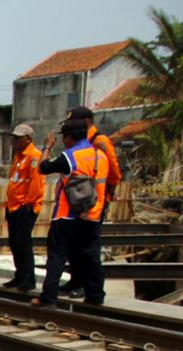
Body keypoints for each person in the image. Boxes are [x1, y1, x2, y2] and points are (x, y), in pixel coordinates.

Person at [32, 119, 108, 307]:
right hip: (92, 214)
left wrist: (47, 147)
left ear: (69, 137)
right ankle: (95, 296)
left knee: (57, 256)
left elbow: (42, 168)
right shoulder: (101, 156)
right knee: (91, 257)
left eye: (64, 137)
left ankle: (48, 298)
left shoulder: (70, 156)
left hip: (67, 214)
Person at [60, 106, 123, 298]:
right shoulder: (82, 143)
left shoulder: (100, 141)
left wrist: (106, 195)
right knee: (75, 245)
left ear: (86, 121)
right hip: (77, 201)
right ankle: (76, 281)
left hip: (93, 202)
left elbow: (114, 172)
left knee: (88, 248)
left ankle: (90, 286)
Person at [3, 123, 45, 291]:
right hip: (13, 207)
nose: (15, 141)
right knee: (14, 243)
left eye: (18, 138)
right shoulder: (19, 156)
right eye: (14, 138)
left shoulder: (34, 157)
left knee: (23, 244)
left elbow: (36, 184)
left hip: (24, 208)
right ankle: (19, 275)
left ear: (29, 139)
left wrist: (28, 204)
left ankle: (28, 279)